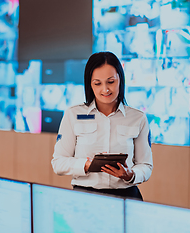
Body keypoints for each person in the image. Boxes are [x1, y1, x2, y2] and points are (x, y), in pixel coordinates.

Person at [51, 51, 153, 200]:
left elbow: (146, 165)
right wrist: (85, 165)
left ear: (120, 80)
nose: (105, 89)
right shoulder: (73, 115)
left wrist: (131, 175)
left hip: (126, 197)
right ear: (90, 84)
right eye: (97, 83)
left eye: (111, 82)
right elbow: (58, 163)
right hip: (85, 196)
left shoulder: (138, 118)